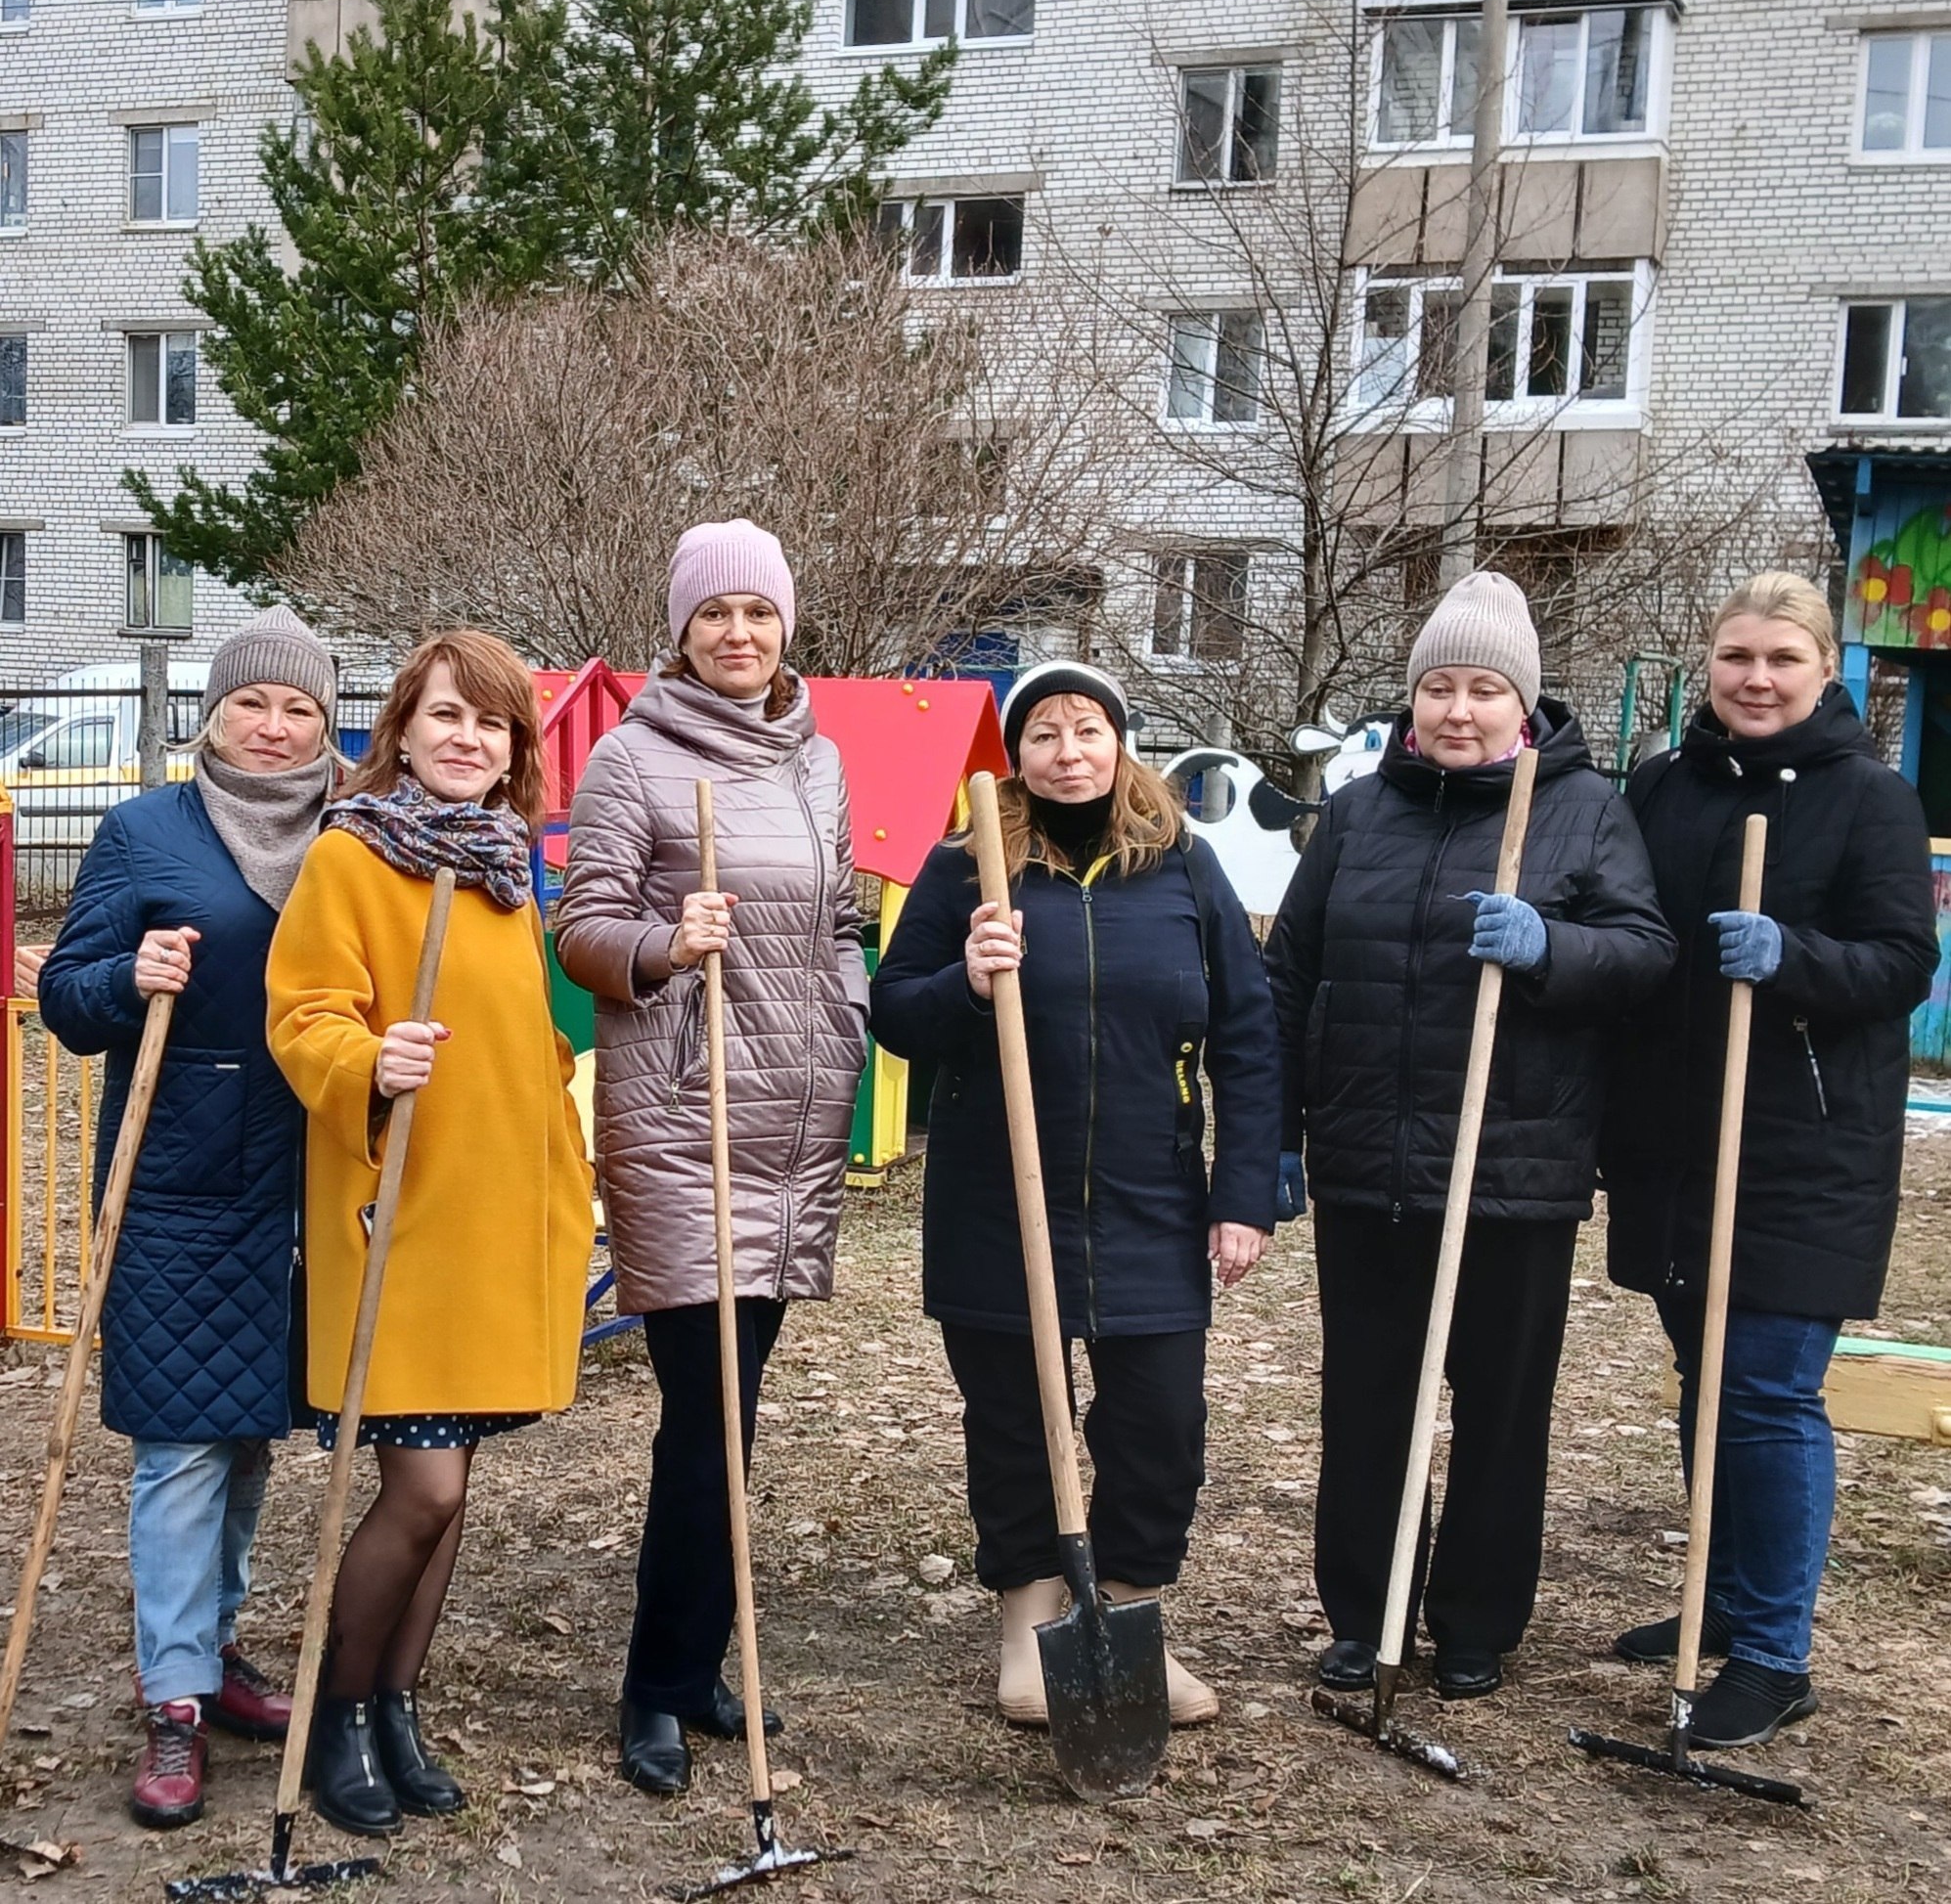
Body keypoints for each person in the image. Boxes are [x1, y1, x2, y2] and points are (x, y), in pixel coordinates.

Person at [1264, 573, 1674, 1702]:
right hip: (1371, 1168)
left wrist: (1551, 946)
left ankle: (1479, 1623)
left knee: (1498, 1409)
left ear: (1522, 703)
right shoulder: (1356, 814)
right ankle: (1368, 1616)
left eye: (1483, 689)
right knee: (1369, 1402)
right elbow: (1291, 974)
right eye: (1437, 686)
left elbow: (1643, 953)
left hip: (1513, 1173)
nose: (1457, 710)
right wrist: (1282, 1133)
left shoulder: (1586, 810)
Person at [870, 661, 1280, 1728]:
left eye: (1087, 729)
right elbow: (895, 1015)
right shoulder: (971, 866)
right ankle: (1030, 1627)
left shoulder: (1184, 868)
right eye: (1043, 732)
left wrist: (1244, 1193)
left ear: (1119, 743)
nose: (1067, 750)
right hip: (998, 1192)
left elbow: (1247, 1031)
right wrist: (965, 978)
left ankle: (1135, 1614)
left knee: (1161, 1424)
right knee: (1012, 1420)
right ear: (1017, 755)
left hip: (1150, 1192)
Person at [554, 519, 868, 1796]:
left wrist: (843, 1012)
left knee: (729, 1422)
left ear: (785, 625)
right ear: (678, 632)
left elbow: (842, 916)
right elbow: (582, 929)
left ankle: (693, 1664)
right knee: (704, 1418)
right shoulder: (632, 759)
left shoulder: (821, 761)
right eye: (712, 614)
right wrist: (663, 946)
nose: (737, 633)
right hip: (687, 1123)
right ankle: (655, 1682)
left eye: (757, 611)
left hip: (791, 1122)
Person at [1600, 571, 1936, 1749]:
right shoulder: (1663, 788)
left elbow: (1902, 963)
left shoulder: (1871, 800)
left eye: (1782, 660)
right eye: (1737, 656)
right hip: (1675, 1140)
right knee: (1708, 1386)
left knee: (1767, 1394)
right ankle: (1722, 1600)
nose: (1756, 678)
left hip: (1804, 1145)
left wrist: (1791, 955)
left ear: (1823, 670)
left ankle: (1776, 1652)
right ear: (1709, 664)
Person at [265, 630, 594, 1838]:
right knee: (420, 1487)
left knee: (454, 1497)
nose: (467, 739)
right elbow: (303, 1015)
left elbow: (517, 1026)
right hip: (398, 1216)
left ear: (514, 754)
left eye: (493, 725)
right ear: (400, 727)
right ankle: (337, 1712)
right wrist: (368, 1057)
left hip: (500, 1216)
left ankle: (396, 1703)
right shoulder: (352, 858)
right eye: (446, 715)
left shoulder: (506, 871)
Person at [38, 612, 339, 1829]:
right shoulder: (142, 831)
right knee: (179, 1445)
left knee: (255, 1431)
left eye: (301, 711)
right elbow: (67, 996)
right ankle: (171, 1697)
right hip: (178, 1179)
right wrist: (128, 977)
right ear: (210, 713)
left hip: (313, 1179)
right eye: (251, 705)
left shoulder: (357, 836)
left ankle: (211, 1657)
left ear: (328, 726)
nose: (274, 728)